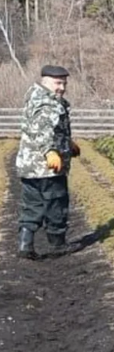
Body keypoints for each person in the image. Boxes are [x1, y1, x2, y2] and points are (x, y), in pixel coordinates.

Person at [15, 65, 77, 259]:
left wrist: (68, 143)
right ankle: (58, 245)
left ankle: (25, 244)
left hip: (29, 166)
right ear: (46, 81)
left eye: (64, 84)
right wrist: (50, 152)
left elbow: (43, 128)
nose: (62, 88)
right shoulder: (47, 103)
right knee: (56, 204)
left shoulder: (34, 96)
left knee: (32, 205)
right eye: (58, 83)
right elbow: (42, 129)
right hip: (48, 168)